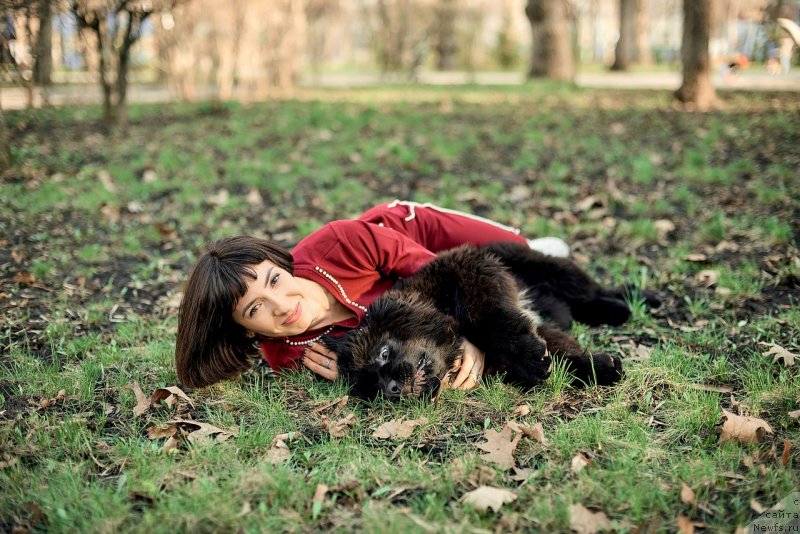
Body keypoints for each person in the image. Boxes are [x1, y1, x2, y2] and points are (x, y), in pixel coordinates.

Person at [174, 200, 570, 390]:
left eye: (274, 281)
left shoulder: (338, 241)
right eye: (255, 308)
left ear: (281, 263)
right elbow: (383, 373)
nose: (281, 306)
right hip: (416, 299)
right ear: (245, 330)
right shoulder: (290, 354)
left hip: (418, 238)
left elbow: (451, 276)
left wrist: (467, 337)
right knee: (530, 301)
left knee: (520, 252)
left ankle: (531, 254)